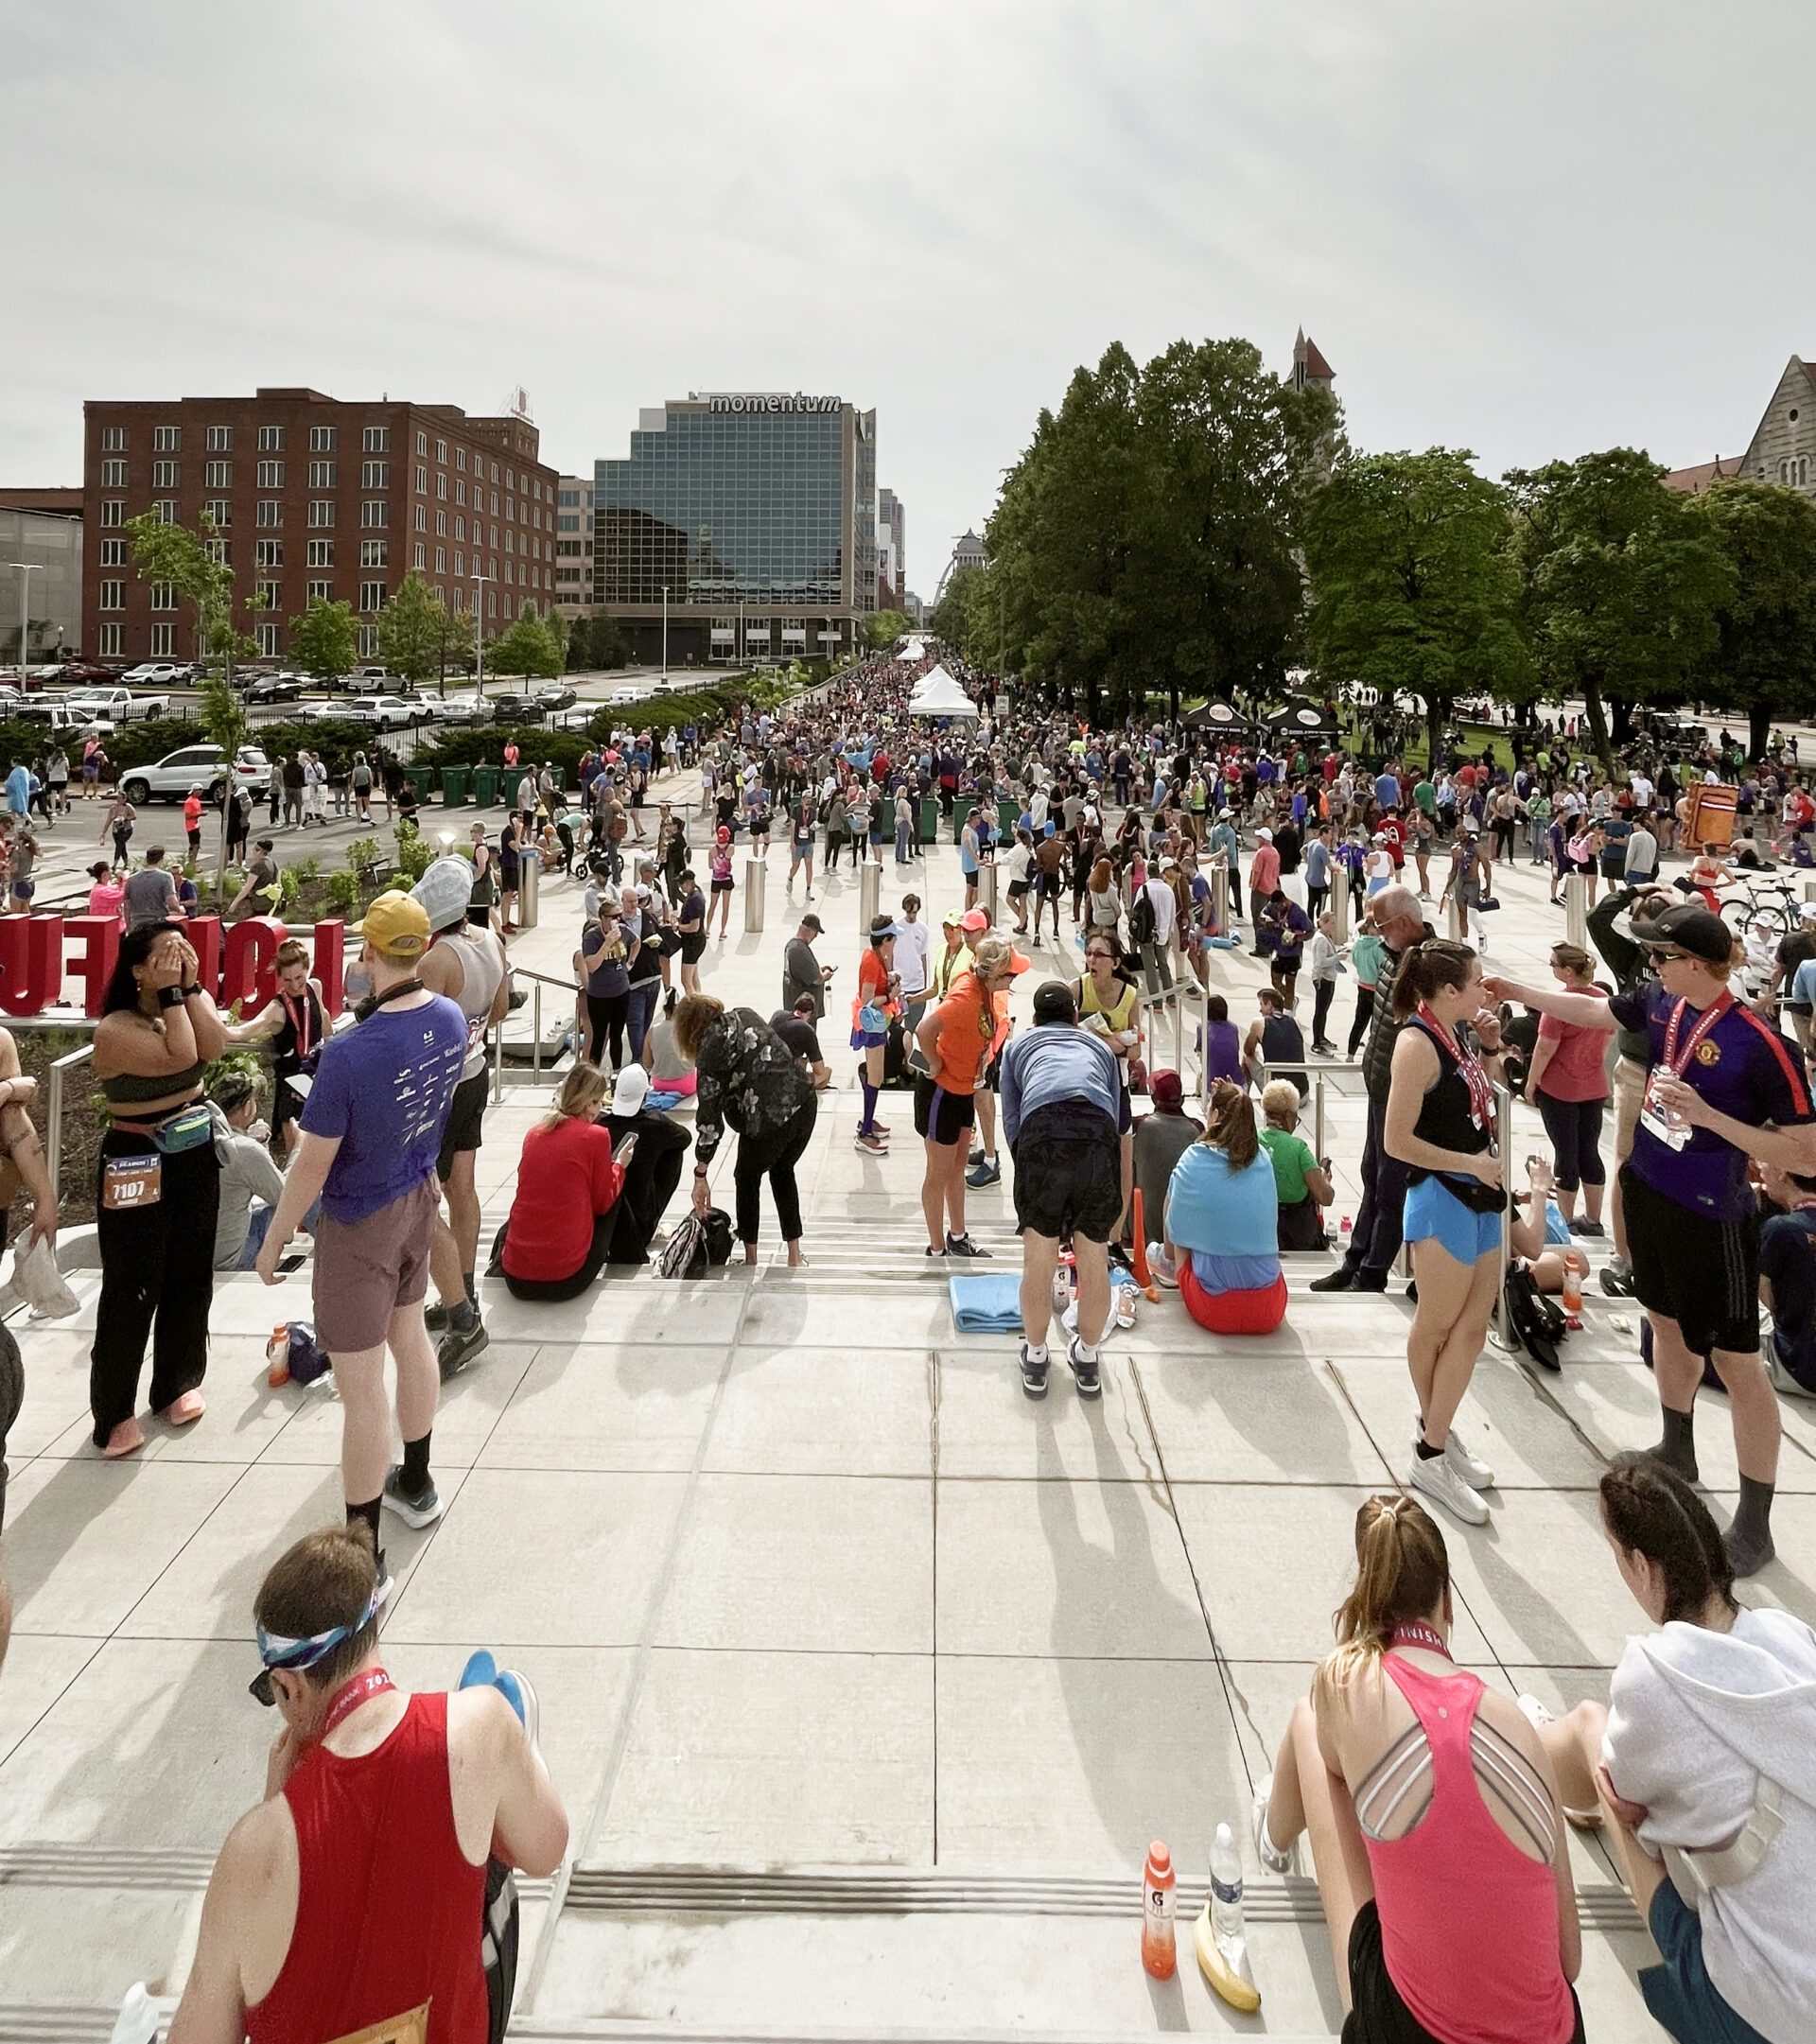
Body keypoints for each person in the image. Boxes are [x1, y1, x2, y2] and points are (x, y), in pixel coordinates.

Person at [1486, 902, 1816, 1576]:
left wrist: (1711, 1118)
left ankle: (1755, 1519)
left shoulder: (1760, 1042)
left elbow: (1806, 1152)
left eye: (1662, 956)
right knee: (1664, 1324)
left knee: (1736, 1363)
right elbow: (1592, 1010)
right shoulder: (1664, 1002)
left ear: (1696, 963)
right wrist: (1519, 991)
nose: (1651, 966)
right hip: (1652, 1192)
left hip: (1714, 1215)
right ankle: (1678, 1447)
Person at [166, 1523, 568, 2044]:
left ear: (287, 1684)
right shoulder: (478, 1725)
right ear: (373, 1625)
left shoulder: (252, 1851)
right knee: (490, 1871)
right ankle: (514, 1764)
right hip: (465, 1754)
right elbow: (547, 1850)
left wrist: (275, 1811)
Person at [1250, 1494, 1582, 2043]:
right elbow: (1568, 1960)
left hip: (1409, 2031)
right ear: (1446, 1603)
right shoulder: (1518, 1727)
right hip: (1554, 2035)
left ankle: (1274, 1834)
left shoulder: (1347, 1682)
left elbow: (1343, 1762)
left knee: (1310, 1724)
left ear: (1368, 1598)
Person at [1528, 1456, 1814, 2044]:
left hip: (1763, 2016)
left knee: (1589, 1730)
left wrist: (1633, 1802)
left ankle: (1520, 1754)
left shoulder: (1653, 1671)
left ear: (1640, 1565)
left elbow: (1628, 1795)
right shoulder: (1792, 1640)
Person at [254, 892, 467, 1558]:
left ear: (368, 952)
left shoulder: (350, 1050)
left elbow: (312, 1165)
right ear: (424, 948)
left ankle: (362, 1549)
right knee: (410, 1337)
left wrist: (275, 1236)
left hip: (360, 1220)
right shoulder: (453, 1017)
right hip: (417, 1199)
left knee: (361, 1388)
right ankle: (419, 1479)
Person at [89, 923, 227, 1457]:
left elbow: (209, 1047)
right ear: (136, 970)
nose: (178, 958)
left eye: (183, 948)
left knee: (190, 1272)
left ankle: (177, 1381)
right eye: (164, 955)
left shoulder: (185, 1002)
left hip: (191, 1148)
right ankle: (114, 1412)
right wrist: (175, 993)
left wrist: (189, 988)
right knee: (132, 1283)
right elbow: (178, 1054)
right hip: (135, 1157)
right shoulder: (115, 1029)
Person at [1384, 938, 1508, 1527]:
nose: (1487, 990)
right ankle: (1430, 1452)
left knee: (1473, 1329)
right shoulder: (1415, 1043)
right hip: (1442, 1198)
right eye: (1478, 982)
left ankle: (1439, 1422)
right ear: (1450, 990)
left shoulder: (1455, 1032)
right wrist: (1471, 1165)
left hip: (1480, 1190)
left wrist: (1489, 1048)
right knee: (1436, 1326)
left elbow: (1471, 1103)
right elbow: (1396, 1141)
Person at [998, 980, 1126, 1399]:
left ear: (1034, 1019)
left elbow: (1013, 1120)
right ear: (1075, 1017)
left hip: (1041, 1135)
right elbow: (1121, 1124)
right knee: (1093, 1262)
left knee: (1038, 1262)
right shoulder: (1100, 1048)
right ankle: (1087, 1357)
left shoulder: (1019, 1046)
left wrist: (1035, 1178)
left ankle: (1036, 1358)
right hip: (1095, 1137)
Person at [413, 859, 512, 1377]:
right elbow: (498, 1009)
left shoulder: (437, 960)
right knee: (464, 1190)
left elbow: (416, 1027)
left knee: (425, 1195)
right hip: (474, 1074)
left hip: (439, 1089)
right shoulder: (490, 940)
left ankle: (458, 1309)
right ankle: (465, 1289)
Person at [1312, 886, 1433, 1293]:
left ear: (1402, 923)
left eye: (1379, 924)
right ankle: (1355, 1261)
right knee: (1372, 1175)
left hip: (1404, 1095)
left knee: (1391, 1184)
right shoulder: (1393, 956)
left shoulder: (1429, 967)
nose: (1374, 932)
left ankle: (1373, 1272)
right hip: (1381, 1086)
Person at [676, 993, 818, 1267]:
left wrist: (701, 1172)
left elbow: (709, 1121)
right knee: (782, 1170)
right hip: (803, 1102)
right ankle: (794, 1255)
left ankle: (751, 1258)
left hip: (768, 1119)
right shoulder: (746, 1013)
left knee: (746, 1177)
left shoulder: (708, 1053)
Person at [914, 935, 1030, 1260]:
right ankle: (937, 1248)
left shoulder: (983, 991)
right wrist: (935, 1063)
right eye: (1011, 975)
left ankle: (958, 1236)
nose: (1013, 980)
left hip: (965, 1090)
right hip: (942, 1093)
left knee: (957, 1168)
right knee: (938, 1173)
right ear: (994, 975)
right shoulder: (966, 996)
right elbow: (924, 1030)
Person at [494, 1061, 628, 1298]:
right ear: (586, 1102)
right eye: (595, 1102)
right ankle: (629, 1254)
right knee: (614, 1191)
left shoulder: (534, 1133)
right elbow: (602, 1202)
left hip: (516, 1278)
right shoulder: (597, 1136)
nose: (596, 1110)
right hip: (566, 1278)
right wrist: (620, 1167)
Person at [1161, 1081, 1286, 1333]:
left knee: (1176, 1204)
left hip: (1213, 1307)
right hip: (1269, 1308)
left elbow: (1173, 1238)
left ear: (1215, 1116)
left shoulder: (1194, 1157)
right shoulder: (1263, 1159)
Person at [1524, 942, 1610, 1238]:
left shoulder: (1558, 1005)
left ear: (1567, 971)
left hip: (1560, 1087)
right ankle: (1594, 1218)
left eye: (1554, 964)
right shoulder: (1602, 998)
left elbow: (1545, 1048)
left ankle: (1565, 1219)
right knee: (1590, 1150)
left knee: (1566, 1152)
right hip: (1594, 1084)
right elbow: (1608, 1036)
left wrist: (1531, 1082)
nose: (1552, 968)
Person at [222, 937, 325, 1154]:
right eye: (287, 980)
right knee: (295, 1151)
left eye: (299, 977)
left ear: (307, 969)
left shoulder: (314, 987)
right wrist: (216, 1032)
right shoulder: (276, 1007)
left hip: (319, 1073)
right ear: (279, 978)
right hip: (292, 1081)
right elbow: (245, 1031)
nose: (296, 985)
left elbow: (324, 1023)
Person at [602, 1061, 691, 1263]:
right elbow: (684, 1138)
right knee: (673, 1151)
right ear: (644, 1095)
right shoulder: (654, 1123)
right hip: (640, 1225)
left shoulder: (599, 1125)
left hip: (603, 1224)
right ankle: (652, 1216)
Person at [207, 1071, 288, 1271]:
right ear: (247, 1108)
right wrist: (298, 1150)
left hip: (200, 1253)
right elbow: (285, 1197)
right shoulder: (246, 1150)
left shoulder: (205, 1139)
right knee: (279, 1211)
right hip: (229, 1260)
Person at [1131, 1068, 1200, 1258]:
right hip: (1184, 1239)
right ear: (1182, 1098)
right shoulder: (1197, 1129)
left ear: (1154, 1098)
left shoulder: (1139, 1126)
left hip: (1146, 1233)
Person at [1261, 1076, 1335, 1250]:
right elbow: (1326, 1197)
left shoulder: (1251, 1140)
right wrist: (1324, 1178)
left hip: (1262, 1232)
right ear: (1288, 1115)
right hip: (1297, 1235)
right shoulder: (1298, 1148)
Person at [851, 913, 898, 1154]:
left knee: (875, 1076)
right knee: (875, 1077)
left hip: (876, 1025)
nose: (896, 942)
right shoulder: (872, 961)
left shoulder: (877, 956)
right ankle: (865, 1132)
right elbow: (868, 999)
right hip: (872, 1026)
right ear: (885, 939)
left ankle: (867, 1121)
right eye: (893, 938)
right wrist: (891, 996)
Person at [580, 888, 637, 1073]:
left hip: (621, 990)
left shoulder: (622, 930)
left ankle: (617, 1071)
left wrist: (630, 962)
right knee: (599, 1036)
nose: (617, 920)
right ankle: (593, 1073)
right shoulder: (592, 937)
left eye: (619, 916)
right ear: (603, 918)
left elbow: (636, 942)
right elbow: (592, 966)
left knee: (617, 1034)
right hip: (600, 995)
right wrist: (607, 944)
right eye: (613, 917)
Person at [1244, 985, 1307, 1098]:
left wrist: (1256, 1036)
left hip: (1277, 1094)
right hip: (1301, 1095)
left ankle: (1244, 1098)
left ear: (1269, 1004)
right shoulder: (1295, 1022)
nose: (1260, 1009)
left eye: (1262, 1004)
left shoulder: (1259, 1023)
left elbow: (1248, 1050)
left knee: (1247, 1059)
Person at [642, 987, 697, 1096]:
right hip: (686, 1085)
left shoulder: (652, 1031)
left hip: (660, 1085)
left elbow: (647, 1063)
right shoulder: (688, 1029)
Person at [772, 992, 831, 1086]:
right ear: (809, 1013)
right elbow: (819, 1070)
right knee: (826, 1072)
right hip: (786, 1079)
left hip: (767, 1070)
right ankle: (806, 1090)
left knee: (800, 1062)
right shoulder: (806, 1029)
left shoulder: (778, 1015)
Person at [1307, 909, 1344, 1056]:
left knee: (1324, 1010)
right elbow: (1321, 962)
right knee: (1320, 1011)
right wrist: (1338, 957)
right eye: (1332, 922)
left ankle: (1321, 1037)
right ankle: (1316, 1042)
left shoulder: (1326, 936)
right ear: (1324, 923)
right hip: (1323, 979)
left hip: (1329, 978)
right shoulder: (1321, 940)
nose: (1334, 925)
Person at [782, 911, 830, 1018]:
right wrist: (825, 975)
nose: (815, 937)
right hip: (804, 1012)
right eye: (816, 933)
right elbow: (816, 979)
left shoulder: (792, 945)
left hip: (794, 1006)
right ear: (809, 930)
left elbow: (801, 971)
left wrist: (819, 969)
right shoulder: (800, 950)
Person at [226, 838, 280, 919]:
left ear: (259, 851)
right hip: (271, 900)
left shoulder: (257, 866)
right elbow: (277, 880)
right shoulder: (272, 862)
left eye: (255, 849)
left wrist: (234, 904)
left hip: (259, 903)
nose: (253, 851)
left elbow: (247, 887)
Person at [673, 866, 707, 993]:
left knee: (686, 980)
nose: (680, 886)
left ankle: (692, 1006)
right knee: (693, 977)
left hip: (693, 942)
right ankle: (699, 1000)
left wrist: (677, 927)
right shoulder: (696, 895)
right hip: (696, 941)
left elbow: (694, 926)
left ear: (688, 883)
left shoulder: (694, 900)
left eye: (681, 883)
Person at [101, 787, 136, 873]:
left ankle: (115, 864)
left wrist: (125, 818)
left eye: (120, 798)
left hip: (126, 828)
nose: (118, 800)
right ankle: (126, 863)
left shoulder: (128, 807)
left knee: (120, 844)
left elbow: (134, 816)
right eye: (117, 798)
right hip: (116, 829)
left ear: (124, 799)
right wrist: (104, 831)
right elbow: (109, 820)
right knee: (121, 846)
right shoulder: (113, 808)